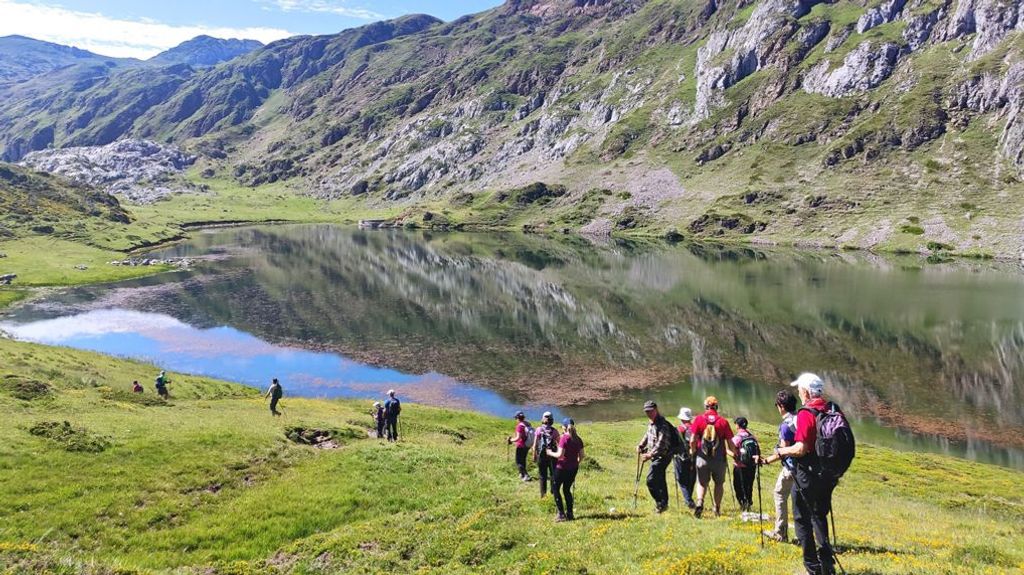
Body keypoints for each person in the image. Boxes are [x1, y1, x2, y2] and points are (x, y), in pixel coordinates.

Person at [758, 373, 841, 575]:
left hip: (807, 473)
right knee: (819, 516)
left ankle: (812, 569)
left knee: (802, 519)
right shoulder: (831, 408)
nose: (798, 393)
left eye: (799, 389)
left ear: (805, 391)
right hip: (827, 473)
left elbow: (801, 448)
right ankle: (827, 566)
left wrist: (780, 451)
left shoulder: (806, 413)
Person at [760, 390, 798, 543]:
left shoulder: (786, 425)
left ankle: (780, 533)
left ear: (781, 406)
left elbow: (783, 450)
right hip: (804, 469)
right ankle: (802, 535)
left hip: (791, 468)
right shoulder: (800, 418)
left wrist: (767, 460)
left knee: (780, 495)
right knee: (799, 501)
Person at [689, 396, 735, 518]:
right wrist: (735, 453)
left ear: (706, 407)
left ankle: (700, 501)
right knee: (719, 484)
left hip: (702, 457)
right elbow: (730, 443)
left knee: (702, 482)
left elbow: (693, 439)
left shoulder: (699, 419)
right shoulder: (723, 422)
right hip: (719, 459)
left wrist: (693, 451)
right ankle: (717, 508)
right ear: (716, 407)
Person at [636, 400, 676, 513]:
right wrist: (641, 445)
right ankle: (664, 504)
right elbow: (648, 434)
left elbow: (661, 444)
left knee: (651, 480)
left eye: (650, 411)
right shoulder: (651, 422)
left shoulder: (662, 424)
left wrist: (649, 455)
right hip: (656, 456)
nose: (648, 413)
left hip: (663, 456)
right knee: (660, 479)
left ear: (656, 409)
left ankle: (660, 503)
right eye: (646, 411)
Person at [547, 417, 584, 521]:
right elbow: (582, 456)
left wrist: (549, 452)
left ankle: (561, 514)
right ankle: (570, 514)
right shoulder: (578, 439)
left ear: (564, 427)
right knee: (567, 490)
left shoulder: (564, 438)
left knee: (555, 488)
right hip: (573, 469)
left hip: (562, 468)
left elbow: (560, 455)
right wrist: (576, 462)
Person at [731, 417, 757, 512]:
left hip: (740, 466)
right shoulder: (752, 437)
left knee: (738, 486)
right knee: (749, 485)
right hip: (751, 466)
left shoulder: (737, 438)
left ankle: (743, 505)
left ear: (737, 425)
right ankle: (748, 503)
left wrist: (725, 451)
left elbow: (732, 451)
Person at [673, 407, 697, 509]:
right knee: (691, 478)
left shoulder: (679, 429)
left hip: (681, 457)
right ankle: (689, 498)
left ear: (681, 418)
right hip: (695, 456)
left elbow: (674, 443)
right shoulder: (695, 428)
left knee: (682, 480)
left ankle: (688, 500)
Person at [533, 411, 560, 498]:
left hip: (541, 456)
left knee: (542, 475)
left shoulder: (538, 430)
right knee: (553, 474)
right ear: (552, 420)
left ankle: (543, 495)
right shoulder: (555, 431)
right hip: (552, 456)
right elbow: (559, 444)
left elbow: (535, 445)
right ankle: (553, 492)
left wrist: (534, 455)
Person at [508, 411, 532, 481]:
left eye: (516, 418)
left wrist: (511, 440)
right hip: (527, 445)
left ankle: (526, 475)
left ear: (517, 418)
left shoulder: (519, 426)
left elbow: (518, 438)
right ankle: (521, 474)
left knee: (518, 461)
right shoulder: (528, 423)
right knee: (523, 460)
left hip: (521, 445)